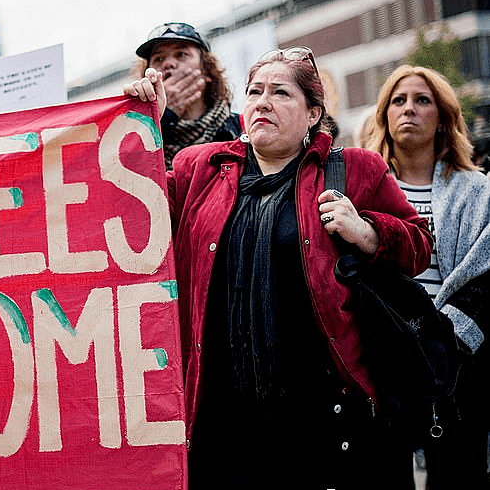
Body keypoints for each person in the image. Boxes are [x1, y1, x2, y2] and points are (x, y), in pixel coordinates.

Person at [125, 47, 432, 488]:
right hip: (223, 427)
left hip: (327, 424)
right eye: (254, 91)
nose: (262, 102)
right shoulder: (199, 168)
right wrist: (141, 126)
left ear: (312, 115)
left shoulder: (354, 169)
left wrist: (366, 231)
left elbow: (419, 245)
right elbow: (132, 210)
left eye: (280, 92)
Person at [369, 65, 490, 489]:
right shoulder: (362, 188)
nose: (409, 109)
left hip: (457, 364)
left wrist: (443, 344)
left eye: (423, 100)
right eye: (398, 101)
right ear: (384, 114)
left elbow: (485, 277)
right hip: (383, 359)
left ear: (443, 117)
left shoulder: (479, 191)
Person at [127, 22, 240, 169]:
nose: (168, 64)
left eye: (181, 54)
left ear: (206, 69)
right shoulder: (138, 139)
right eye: (159, 59)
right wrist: (165, 116)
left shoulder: (241, 130)